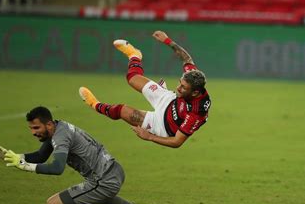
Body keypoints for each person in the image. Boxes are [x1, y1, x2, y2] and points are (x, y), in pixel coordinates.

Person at [0, 106, 160, 204]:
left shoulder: (61, 137)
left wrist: (24, 166)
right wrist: (13, 156)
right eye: (31, 129)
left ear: (48, 124)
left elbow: (57, 168)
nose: (33, 132)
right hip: (114, 170)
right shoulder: (59, 126)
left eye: (36, 128)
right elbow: (41, 156)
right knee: (103, 197)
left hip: (103, 180)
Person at [78, 30, 211, 148]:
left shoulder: (197, 112)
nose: (178, 88)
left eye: (183, 87)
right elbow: (187, 58)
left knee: (121, 110)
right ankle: (134, 55)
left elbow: (177, 142)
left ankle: (94, 104)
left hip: (161, 125)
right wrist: (167, 40)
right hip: (169, 100)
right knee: (132, 78)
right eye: (180, 83)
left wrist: (149, 137)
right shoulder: (193, 78)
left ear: (195, 92)